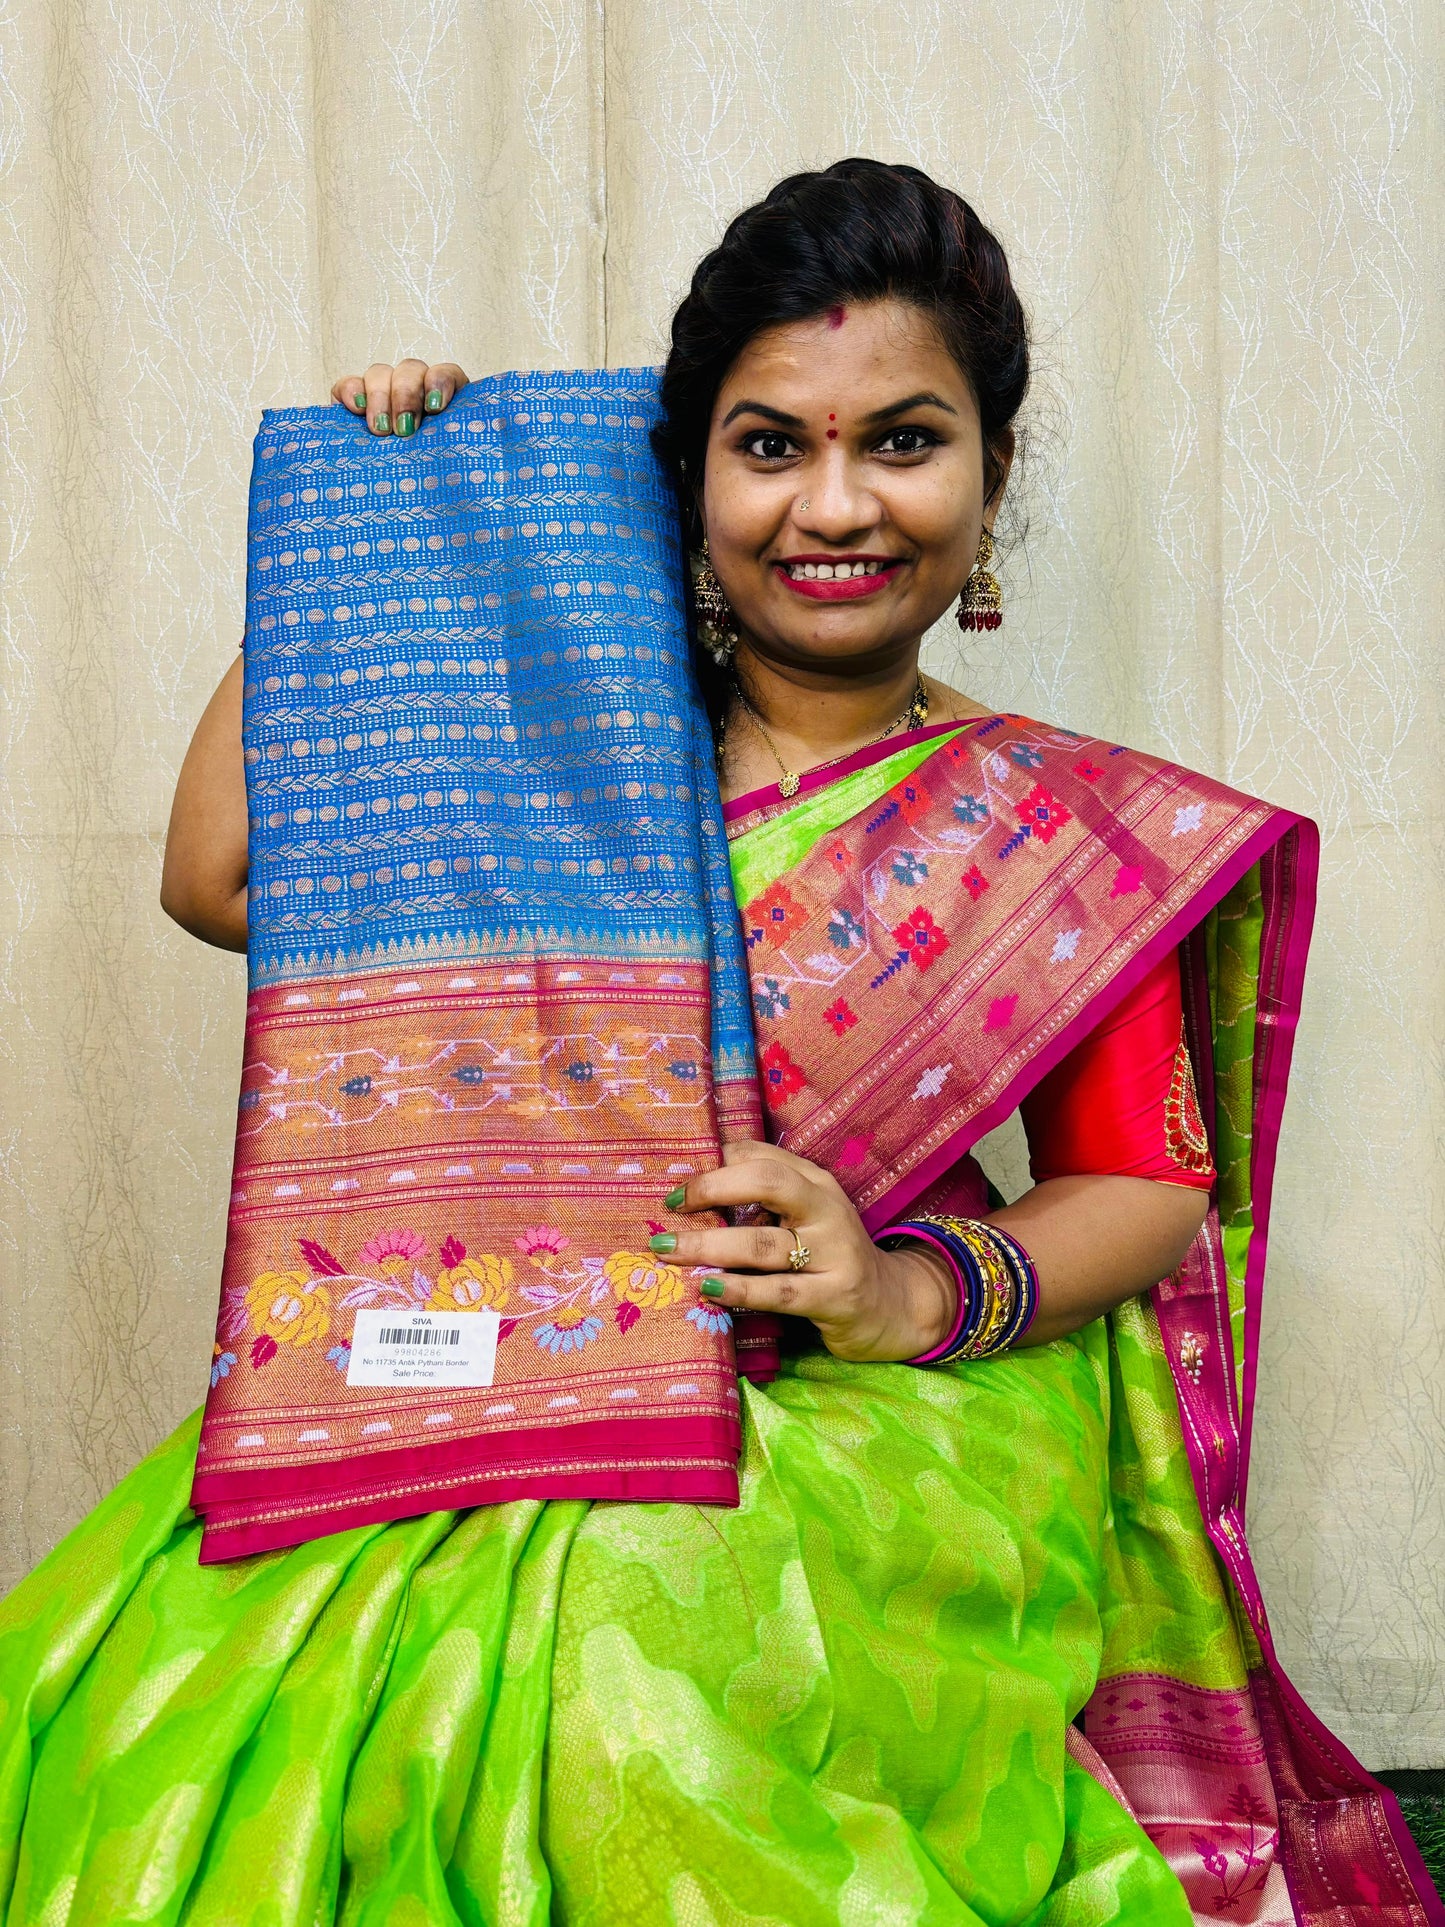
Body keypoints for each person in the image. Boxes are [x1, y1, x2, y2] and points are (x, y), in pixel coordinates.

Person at [0, 159, 1430, 1925]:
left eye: (902, 440)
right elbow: (218, 877)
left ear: (995, 478)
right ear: (688, 480)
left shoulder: (1049, 824)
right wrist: (371, 545)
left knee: (624, 1651)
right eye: (769, 446)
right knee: (160, 1687)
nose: (834, 503)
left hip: (889, 1388)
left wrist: (904, 1293)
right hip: (534, 1340)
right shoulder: (559, 757)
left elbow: (1141, 1187)